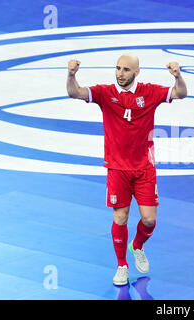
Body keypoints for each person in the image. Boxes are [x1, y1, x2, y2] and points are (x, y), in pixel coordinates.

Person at [66, 54, 187, 286]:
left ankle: (137, 245)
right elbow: (75, 92)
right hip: (117, 168)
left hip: (144, 168)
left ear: (137, 72)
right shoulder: (104, 93)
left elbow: (180, 93)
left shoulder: (149, 92)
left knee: (149, 220)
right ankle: (122, 265)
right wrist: (71, 75)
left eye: (126, 70)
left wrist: (178, 76)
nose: (120, 73)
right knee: (120, 218)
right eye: (118, 68)